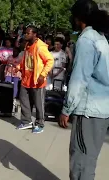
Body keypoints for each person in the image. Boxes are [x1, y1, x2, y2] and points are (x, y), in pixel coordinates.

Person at [59, 1, 109, 179]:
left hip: (88, 109)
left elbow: (79, 79)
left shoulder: (86, 40)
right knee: (90, 161)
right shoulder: (101, 38)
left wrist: (66, 109)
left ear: (79, 17)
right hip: (102, 110)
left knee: (80, 162)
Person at [16, 25, 54, 133]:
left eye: (28, 33)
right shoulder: (27, 45)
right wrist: (18, 68)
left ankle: (40, 124)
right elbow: (26, 60)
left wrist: (43, 75)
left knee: (39, 103)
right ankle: (26, 121)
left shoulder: (40, 46)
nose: (26, 35)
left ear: (34, 34)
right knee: (24, 100)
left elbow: (50, 60)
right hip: (26, 79)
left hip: (37, 80)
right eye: (25, 33)